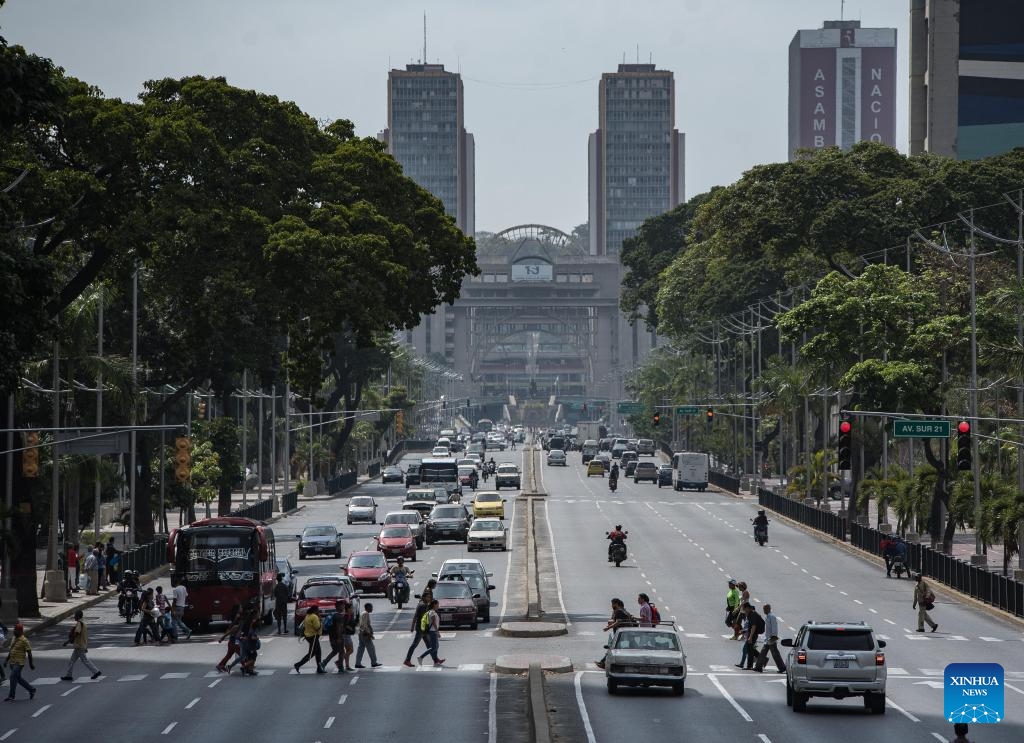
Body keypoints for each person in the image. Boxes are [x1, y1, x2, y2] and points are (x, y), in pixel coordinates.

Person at [61, 609, 102, 681]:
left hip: (79, 646)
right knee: (72, 661)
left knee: (84, 660)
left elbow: (77, 633)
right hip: (79, 646)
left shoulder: (80, 624)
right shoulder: (83, 623)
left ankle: (96, 671)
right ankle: (68, 675)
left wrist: (67, 642)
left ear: (78, 616)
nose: (74, 617)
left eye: (75, 615)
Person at [595, 598, 634, 669]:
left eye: (613, 604)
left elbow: (618, 622)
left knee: (612, 647)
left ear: (616, 604)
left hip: (622, 634)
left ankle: (603, 663)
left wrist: (608, 627)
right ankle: (603, 662)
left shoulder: (619, 611)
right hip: (624, 633)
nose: (612, 605)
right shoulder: (621, 611)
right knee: (616, 647)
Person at [3, 623, 36, 701]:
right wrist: (6, 660)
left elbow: (29, 652)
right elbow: (11, 650)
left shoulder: (24, 640)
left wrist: (31, 664)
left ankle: (11, 696)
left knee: (12, 677)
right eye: (14, 629)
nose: (14, 631)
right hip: (12, 662)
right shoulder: (14, 638)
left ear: (20, 631)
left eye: (16, 630)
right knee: (18, 678)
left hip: (19, 662)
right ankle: (31, 689)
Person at [753, 604, 786, 673]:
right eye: (763, 609)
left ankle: (782, 667)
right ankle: (758, 667)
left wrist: (774, 636)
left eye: (765, 609)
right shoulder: (767, 617)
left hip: (771, 639)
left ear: (769, 609)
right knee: (763, 653)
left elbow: (774, 627)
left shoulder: (772, 617)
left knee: (775, 654)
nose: (764, 610)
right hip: (768, 639)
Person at [294, 606, 325, 674]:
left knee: (317, 653)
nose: (318, 611)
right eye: (318, 610)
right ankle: (298, 664)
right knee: (313, 653)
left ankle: (319, 668)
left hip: (308, 636)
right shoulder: (314, 617)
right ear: (315, 610)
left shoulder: (308, 616)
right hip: (313, 636)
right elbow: (317, 627)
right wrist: (320, 621)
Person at [321, 601, 347, 671]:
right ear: (338, 607)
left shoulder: (333, 615)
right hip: (338, 637)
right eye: (342, 605)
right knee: (341, 651)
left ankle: (324, 663)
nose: (343, 606)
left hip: (332, 637)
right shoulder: (339, 616)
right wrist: (339, 638)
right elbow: (339, 627)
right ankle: (340, 666)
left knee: (335, 651)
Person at [404, 597, 430, 667]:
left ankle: (436, 659)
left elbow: (415, 616)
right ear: (425, 598)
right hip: (422, 629)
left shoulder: (420, 605)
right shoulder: (424, 606)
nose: (430, 598)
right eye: (429, 597)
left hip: (421, 628)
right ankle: (407, 660)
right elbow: (423, 617)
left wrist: (412, 626)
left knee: (429, 645)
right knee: (415, 645)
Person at [417, 599, 444, 666]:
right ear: (434, 604)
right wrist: (437, 632)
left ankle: (436, 661)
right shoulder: (432, 612)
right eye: (437, 604)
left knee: (436, 646)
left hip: (433, 631)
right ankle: (421, 657)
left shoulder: (432, 612)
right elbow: (433, 623)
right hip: (432, 631)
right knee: (433, 647)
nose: (438, 606)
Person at [354, 602, 382, 668]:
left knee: (361, 648)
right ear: (368, 608)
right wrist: (369, 634)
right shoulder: (365, 614)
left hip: (361, 632)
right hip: (364, 633)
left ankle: (357, 663)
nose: (372, 608)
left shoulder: (363, 613)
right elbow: (364, 625)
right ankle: (374, 662)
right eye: (371, 607)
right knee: (371, 648)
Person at [740, 603, 765, 670]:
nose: (744, 611)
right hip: (752, 634)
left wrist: (750, 637)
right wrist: (745, 631)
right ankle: (762, 660)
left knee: (750, 649)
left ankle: (750, 666)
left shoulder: (753, 615)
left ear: (748, 608)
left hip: (753, 634)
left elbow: (754, 626)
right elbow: (750, 626)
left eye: (745, 609)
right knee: (750, 649)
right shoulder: (750, 614)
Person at [171, 575, 192, 639]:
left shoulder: (175, 590)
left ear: (174, 583)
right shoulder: (183, 587)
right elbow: (186, 596)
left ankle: (175, 636)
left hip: (177, 607)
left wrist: (172, 609)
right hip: (182, 607)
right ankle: (188, 630)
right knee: (179, 622)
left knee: (173, 622)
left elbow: (174, 600)